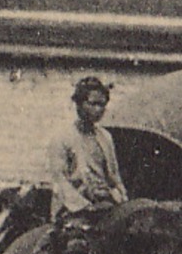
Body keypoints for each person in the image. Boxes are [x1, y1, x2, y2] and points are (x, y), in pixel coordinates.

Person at [48, 76, 128, 223]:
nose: (98, 110)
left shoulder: (105, 137)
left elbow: (114, 176)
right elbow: (60, 181)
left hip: (105, 205)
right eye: (93, 104)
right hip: (75, 209)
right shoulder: (62, 138)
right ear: (79, 104)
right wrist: (85, 207)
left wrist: (121, 196)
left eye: (102, 105)